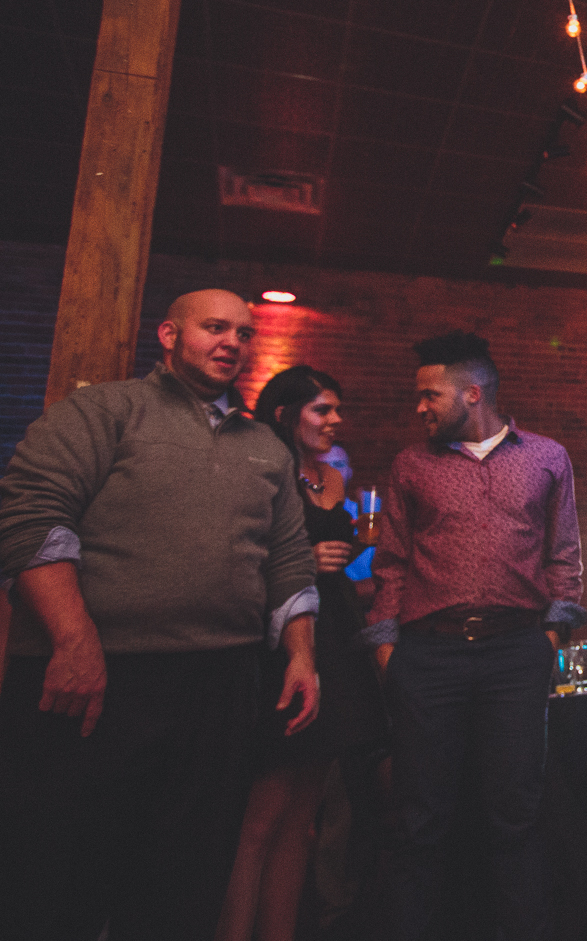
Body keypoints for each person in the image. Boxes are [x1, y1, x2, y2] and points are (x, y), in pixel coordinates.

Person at [0, 289, 319, 941]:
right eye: (215, 327)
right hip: (97, 676)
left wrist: (302, 654)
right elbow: (31, 517)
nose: (233, 342)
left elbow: (289, 557)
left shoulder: (267, 445)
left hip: (220, 685)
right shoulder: (103, 410)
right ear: (169, 335)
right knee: (59, 877)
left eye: (244, 333)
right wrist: (73, 640)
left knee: (182, 882)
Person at [361, 331, 587, 940]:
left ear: (472, 393)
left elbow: (564, 557)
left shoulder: (547, 457)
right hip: (428, 655)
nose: (419, 407)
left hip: (516, 653)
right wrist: (387, 651)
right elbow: (391, 562)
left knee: (517, 817)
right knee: (420, 822)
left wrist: (549, 640)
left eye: (429, 395)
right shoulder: (411, 464)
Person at [218, 366, 388, 941]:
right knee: (261, 818)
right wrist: (302, 561)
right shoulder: (262, 469)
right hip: (284, 640)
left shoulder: (330, 477)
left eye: (338, 409)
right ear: (285, 414)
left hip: (336, 632)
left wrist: (354, 560)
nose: (336, 420)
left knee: (303, 817)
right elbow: (236, 554)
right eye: (323, 410)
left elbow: (347, 559)